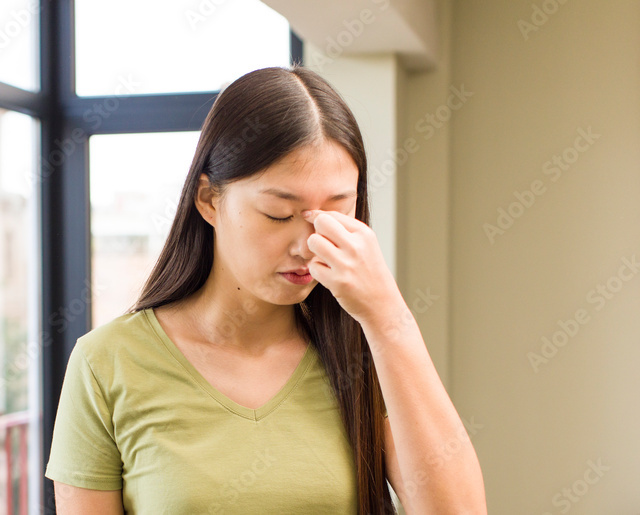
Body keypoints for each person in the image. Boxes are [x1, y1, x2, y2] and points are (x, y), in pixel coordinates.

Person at [44, 65, 487, 514]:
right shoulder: (107, 364)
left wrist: (387, 315)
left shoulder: (365, 355)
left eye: (337, 212)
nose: (307, 245)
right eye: (279, 213)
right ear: (208, 200)